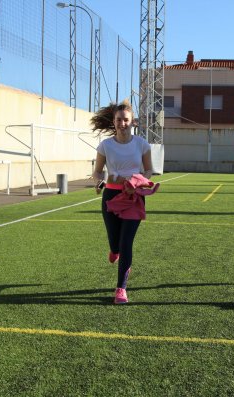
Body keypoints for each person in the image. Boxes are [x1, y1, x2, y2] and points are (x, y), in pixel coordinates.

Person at [91, 100, 153, 304]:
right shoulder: (105, 145)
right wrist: (100, 181)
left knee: (127, 243)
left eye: (126, 120)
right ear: (114, 121)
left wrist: (139, 180)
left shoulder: (142, 144)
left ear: (132, 121)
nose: (122, 123)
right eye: (119, 120)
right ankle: (114, 250)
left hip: (134, 198)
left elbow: (149, 170)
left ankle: (121, 289)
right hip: (111, 196)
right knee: (115, 242)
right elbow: (98, 172)